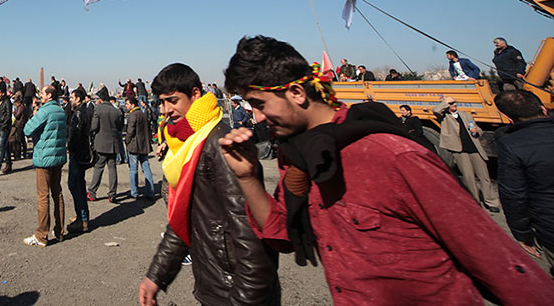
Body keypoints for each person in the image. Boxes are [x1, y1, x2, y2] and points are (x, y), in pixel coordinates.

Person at [218, 35, 552, 304]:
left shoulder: (392, 155)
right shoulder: (300, 160)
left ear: (295, 93)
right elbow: (282, 233)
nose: (257, 118)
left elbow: (502, 267)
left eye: (260, 105)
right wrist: (247, 176)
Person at [139, 63, 279, 306]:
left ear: (195, 94)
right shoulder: (187, 142)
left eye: (173, 100)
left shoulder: (219, 144)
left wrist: (245, 300)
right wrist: (156, 276)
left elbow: (251, 237)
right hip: (214, 283)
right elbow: (185, 218)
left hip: (232, 289)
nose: (166, 110)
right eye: (162, 103)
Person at [494, 90, 554, 274]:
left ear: (507, 117)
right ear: (543, 109)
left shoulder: (511, 144)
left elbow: (514, 194)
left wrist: (522, 233)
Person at [433, 96, 501, 212]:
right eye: (452, 103)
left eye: (455, 102)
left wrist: (477, 131)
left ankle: (491, 202)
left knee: (484, 177)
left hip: (475, 149)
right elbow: (436, 110)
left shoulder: (466, 115)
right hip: (460, 150)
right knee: (469, 177)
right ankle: (475, 202)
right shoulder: (444, 117)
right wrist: (446, 101)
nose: (454, 104)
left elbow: (478, 129)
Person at [22, 85, 67, 247]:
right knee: (58, 193)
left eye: (42, 93)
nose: (40, 95)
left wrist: (34, 114)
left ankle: (41, 235)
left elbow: (27, 129)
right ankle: (60, 230)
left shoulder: (44, 111)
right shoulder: (61, 111)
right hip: (58, 157)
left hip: (44, 158)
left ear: (48, 96)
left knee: (43, 196)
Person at [88, 87, 123, 203]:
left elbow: (94, 127)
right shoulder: (116, 111)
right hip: (113, 143)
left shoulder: (98, 110)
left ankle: (92, 192)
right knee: (112, 169)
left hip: (101, 143)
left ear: (101, 99)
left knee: (98, 168)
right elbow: (119, 127)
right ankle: (112, 194)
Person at [65, 87, 92, 233]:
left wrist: (70, 146)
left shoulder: (79, 114)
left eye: (72, 98)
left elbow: (75, 134)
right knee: (79, 184)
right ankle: (82, 217)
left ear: (78, 99)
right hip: (83, 153)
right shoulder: (85, 111)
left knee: (74, 184)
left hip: (77, 154)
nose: (71, 100)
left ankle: (82, 219)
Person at [125, 95, 154, 200]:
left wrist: (127, 141)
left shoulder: (133, 115)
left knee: (133, 169)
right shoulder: (143, 113)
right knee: (146, 167)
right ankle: (150, 192)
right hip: (144, 145)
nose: (126, 106)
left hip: (134, 145)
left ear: (132, 105)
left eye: (127, 104)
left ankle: (134, 192)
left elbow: (130, 131)